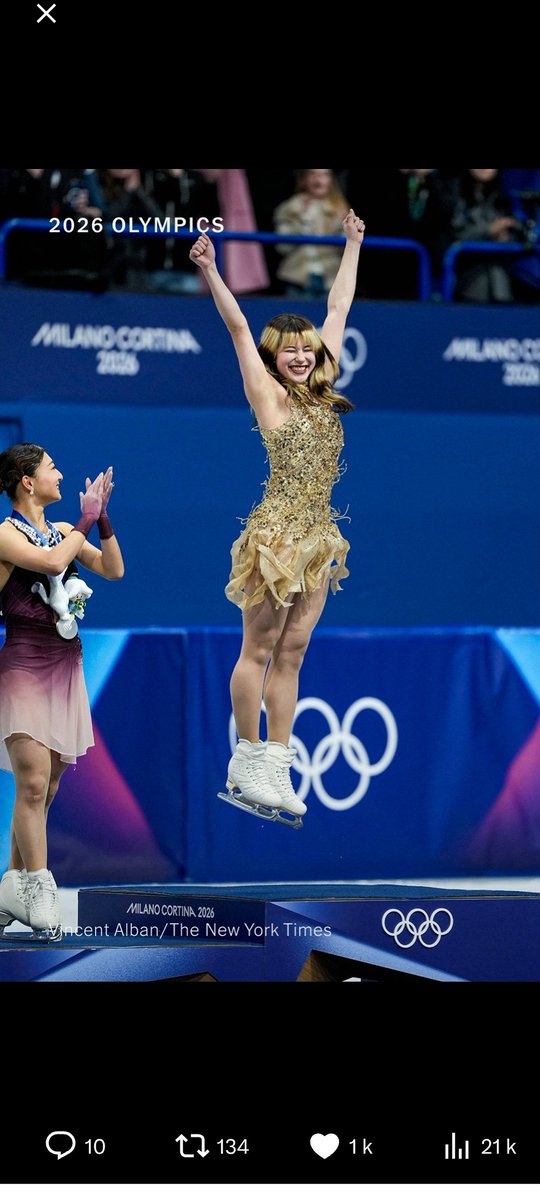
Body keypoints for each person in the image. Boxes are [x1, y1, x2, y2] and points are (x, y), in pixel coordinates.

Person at [189, 209, 364, 827]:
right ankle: (244, 755)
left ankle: (278, 761)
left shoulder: (323, 389)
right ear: (274, 357)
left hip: (318, 538)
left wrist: (353, 243)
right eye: (288, 350)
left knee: (293, 652)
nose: (298, 356)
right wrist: (212, 272)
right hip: (276, 536)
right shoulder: (267, 394)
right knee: (258, 648)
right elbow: (238, 329)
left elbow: (338, 309)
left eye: (305, 349)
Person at [0, 445, 124, 937]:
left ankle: (11, 885)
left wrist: (103, 520)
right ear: (26, 482)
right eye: (51, 467)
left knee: (46, 788)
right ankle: (39, 887)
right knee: (31, 783)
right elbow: (53, 564)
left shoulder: (59, 533)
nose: (61, 473)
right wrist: (84, 519)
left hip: (65, 669)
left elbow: (113, 570)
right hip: (25, 667)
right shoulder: (6, 534)